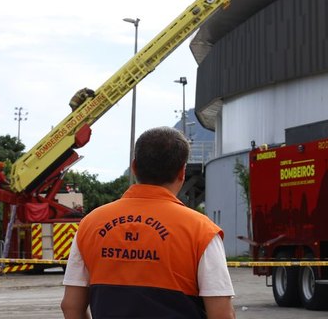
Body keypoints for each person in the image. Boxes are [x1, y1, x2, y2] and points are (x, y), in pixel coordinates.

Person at [61, 126, 235, 319]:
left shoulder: (90, 224)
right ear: (182, 172)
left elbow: (71, 307)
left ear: (134, 167)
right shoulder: (202, 231)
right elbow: (221, 314)